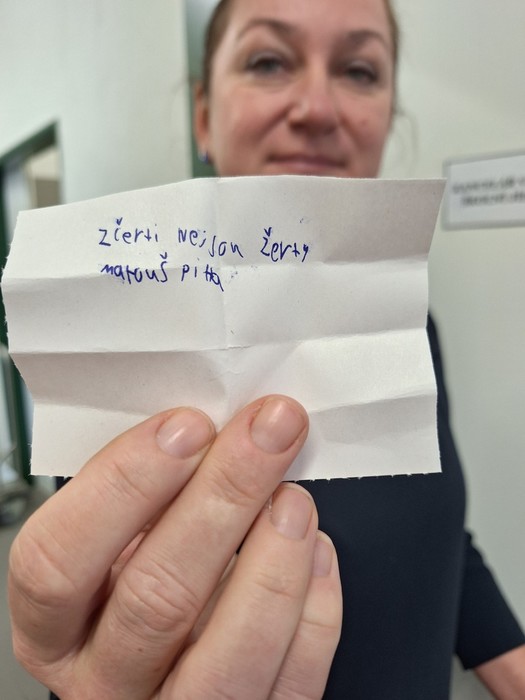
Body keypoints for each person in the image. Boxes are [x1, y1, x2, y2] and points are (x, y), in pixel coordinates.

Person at [8, 1, 525, 698]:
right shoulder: (129, 352)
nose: (317, 108)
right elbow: (111, 626)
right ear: (203, 117)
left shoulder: (412, 327)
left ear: (388, 117)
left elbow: (440, 536)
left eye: (359, 70)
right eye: (268, 61)